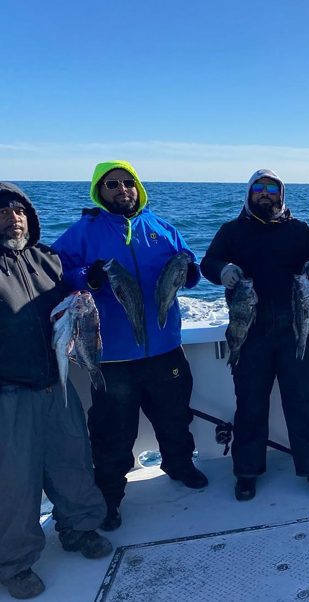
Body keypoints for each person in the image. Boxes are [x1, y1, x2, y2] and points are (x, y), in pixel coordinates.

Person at [0, 182, 111, 600]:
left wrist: (85, 283)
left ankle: (80, 528)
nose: (13, 218)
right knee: (11, 483)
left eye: (19, 211)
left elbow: (71, 304)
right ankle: (13, 563)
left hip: (55, 382)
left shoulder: (47, 259)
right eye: (2, 212)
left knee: (72, 462)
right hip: (0, 392)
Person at [52, 161, 205, 532]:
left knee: (175, 416)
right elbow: (53, 272)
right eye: (112, 184)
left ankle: (179, 464)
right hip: (112, 355)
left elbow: (190, 267)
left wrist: (190, 271)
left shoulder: (162, 228)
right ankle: (109, 496)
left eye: (128, 182)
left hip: (165, 347)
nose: (122, 190)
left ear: (138, 187)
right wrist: (84, 277)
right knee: (113, 431)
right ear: (99, 191)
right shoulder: (82, 232)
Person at [200, 169, 309, 502]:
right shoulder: (231, 231)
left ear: (281, 195)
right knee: (250, 404)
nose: (265, 193)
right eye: (259, 188)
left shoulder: (298, 230)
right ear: (249, 193)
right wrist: (222, 270)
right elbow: (208, 263)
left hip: (296, 329)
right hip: (249, 333)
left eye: (272, 189)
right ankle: (246, 473)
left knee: (304, 401)